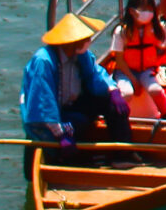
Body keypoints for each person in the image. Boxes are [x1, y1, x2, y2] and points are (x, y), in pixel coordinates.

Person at [20, 14, 130, 150]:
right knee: (73, 127)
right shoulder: (44, 61)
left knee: (112, 103)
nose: (89, 40)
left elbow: (97, 74)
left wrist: (113, 91)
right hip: (53, 119)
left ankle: (123, 152)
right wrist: (61, 135)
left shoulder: (81, 55)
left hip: (74, 106)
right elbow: (43, 104)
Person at [105, 0, 166, 123]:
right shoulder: (122, 32)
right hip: (125, 72)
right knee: (126, 93)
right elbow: (119, 60)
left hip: (146, 70)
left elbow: (162, 46)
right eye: (144, 9)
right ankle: (117, 118)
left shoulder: (154, 29)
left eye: (150, 9)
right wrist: (133, 80)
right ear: (132, 11)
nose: (148, 13)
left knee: (155, 90)